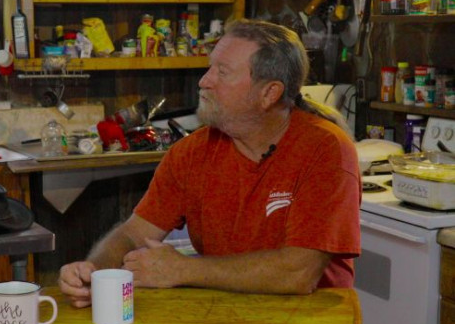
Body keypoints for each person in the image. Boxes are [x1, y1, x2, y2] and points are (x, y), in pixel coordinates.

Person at [59, 19, 361, 307]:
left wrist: (183, 269)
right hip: (223, 316)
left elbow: (298, 272)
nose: (204, 81)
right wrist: (93, 272)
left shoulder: (325, 149)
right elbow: (132, 234)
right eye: (210, 67)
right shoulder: (191, 153)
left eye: (223, 72)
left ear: (269, 93)